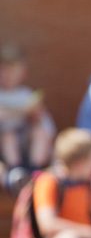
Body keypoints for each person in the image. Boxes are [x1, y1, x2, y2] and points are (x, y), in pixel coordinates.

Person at [0, 43, 55, 176]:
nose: (8, 76)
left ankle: (35, 170)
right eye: (4, 70)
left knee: (39, 132)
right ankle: (16, 171)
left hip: (26, 145)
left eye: (13, 71)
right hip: (5, 146)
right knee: (9, 135)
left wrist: (35, 116)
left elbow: (47, 127)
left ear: (23, 73)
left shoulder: (27, 95)